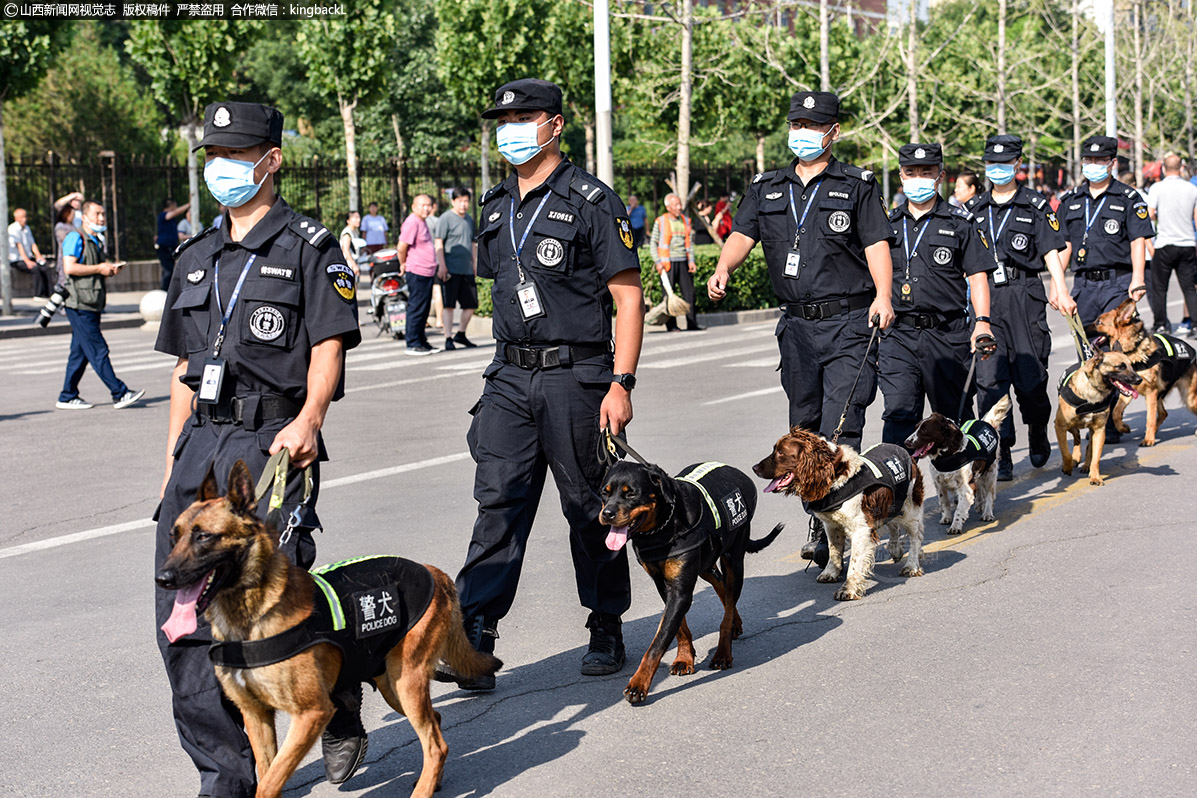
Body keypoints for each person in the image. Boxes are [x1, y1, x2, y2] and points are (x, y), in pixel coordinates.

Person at [153, 102, 364, 796]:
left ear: (270, 160)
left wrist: (310, 418)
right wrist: (169, 464)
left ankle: (336, 702)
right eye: (213, 155)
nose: (222, 168)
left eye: (236, 156)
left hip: (272, 440)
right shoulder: (194, 254)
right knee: (183, 620)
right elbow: (185, 366)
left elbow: (328, 344)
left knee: (284, 605)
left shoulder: (307, 245)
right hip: (201, 442)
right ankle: (228, 777)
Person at [437, 78, 644, 692]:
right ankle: (474, 633)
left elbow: (628, 298)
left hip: (576, 377)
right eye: (503, 119)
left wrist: (621, 381)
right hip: (508, 374)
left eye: (524, 117)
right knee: (497, 502)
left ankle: (605, 621)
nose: (511, 129)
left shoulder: (591, 201)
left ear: (555, 124)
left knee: (590, 505)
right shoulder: (496, 204)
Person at [707, 89, 894, 563]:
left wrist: (884, 296)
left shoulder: (857, 185)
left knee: (842, 423)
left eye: (812, 127)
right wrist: (725, 267)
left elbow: (876, 244)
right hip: (797, 329)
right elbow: (742, 235)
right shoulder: (767, 187)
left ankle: (843, 524)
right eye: (796, 126)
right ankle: (822, 516)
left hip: (850, 322)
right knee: (804, 427)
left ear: (833, 132)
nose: (802, 134)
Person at [970, 134, 1072, 479]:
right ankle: (1003, 449)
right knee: (990, 382)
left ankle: (1038, 429)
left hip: (1024, 294)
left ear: (1017, 165)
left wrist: (1060, 289)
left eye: (1004, 164)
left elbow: (1050, 253)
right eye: (991, 164)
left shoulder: (1035, 205)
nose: (997, 170)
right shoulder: (974, 210)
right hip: (987, 299)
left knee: (1030, 380)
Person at [880, 144, 994, 446]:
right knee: (898, 413)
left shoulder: (961, 222)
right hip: (898, 335)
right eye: (911, 172)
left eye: (926, 173)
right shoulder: (885, 225)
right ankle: (896, 489)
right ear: (901, 176)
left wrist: (982, 322)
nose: (918, 178)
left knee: (951, 419)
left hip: (946, 334)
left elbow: (978, 276)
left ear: (940, 177)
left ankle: (961, 485)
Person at [55, 200, 145, 411]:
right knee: (98, 350)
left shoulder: (95, 240)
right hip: (79, 304)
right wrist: (99, 268)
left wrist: (108, 270)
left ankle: (67, 395)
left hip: (91, 302)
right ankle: (120, 393)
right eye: (97, 214)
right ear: (85, 217)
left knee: (80, 353)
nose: (101, 218)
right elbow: (69, 268)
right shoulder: (75, 237)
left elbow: (92, 270)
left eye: (103, 214)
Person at [1059, 135, 1154, 329]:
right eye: (1089, 160)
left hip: (1117, 283)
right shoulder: (1071, 200)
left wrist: (1138, 278)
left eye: (1100, 160)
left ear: (1112, 163)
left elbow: (1138, 240)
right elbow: (1064, 245)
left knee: (1117, 347)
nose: (1093, 164)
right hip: (1083, 286)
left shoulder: (1128, 198)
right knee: (1087, 347)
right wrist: (1057, 286)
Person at [1146, 154, 1197, 336]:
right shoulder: (1191, 189)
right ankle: (1195, 324)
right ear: (1181, 167)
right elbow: (1196, 218)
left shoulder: (1157, 188)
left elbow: (1150, 214)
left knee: (1159, 288)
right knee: (1189, 287)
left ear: (1164, 169)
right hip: (1187, 242)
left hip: (1165, 242)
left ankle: (1161, 324)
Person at [433, 186, 478, 350]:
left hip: (466, 269)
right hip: (450, 268)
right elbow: (439, 242)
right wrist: (442, 266)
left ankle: (461, 333)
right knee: (449, 305)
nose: (463, 205)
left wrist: (475, 263)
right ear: (453, 201)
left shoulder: (469, 219)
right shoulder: (445, 218)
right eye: (460, 201)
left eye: (466, 201)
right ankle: (448, 337)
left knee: (471, 305)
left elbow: (473, 243)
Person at [397, 194, 440, 356]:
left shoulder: (422, 222)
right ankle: (413, 343)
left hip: (427, 272)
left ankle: (422, 341)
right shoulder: (412, 222)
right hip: (416, 271)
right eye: (422, 205)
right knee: (416, 308)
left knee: (424, 309)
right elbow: (402, 247)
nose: (426, 208)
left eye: (428, 205)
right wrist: (403, 263)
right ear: (414, 207)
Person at [651, 192, 700, 331]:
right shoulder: (660, 221)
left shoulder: (685, 221)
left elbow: (689, 244)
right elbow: (653, 244)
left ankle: (692, 324)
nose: (679, 207)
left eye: (680, 204)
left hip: (683, 262)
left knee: (689, 293)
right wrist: (658, 262)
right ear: (668, 207)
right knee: (669, 295)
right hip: (667, 264)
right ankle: (671, 326)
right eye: (676, 205)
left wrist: (691, 261)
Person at [8, 207, 52, 299]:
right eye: (22, 217)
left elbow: (33, 244)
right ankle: (37, 294)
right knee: (35, 269)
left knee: (44, 267)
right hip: (17, 259)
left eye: (25, 217)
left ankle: (48, 293)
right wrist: (27, 261)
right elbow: (19, 246)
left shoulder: (27, 228)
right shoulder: (12, 229)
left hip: (28, 256)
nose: (24, 219)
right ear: (16, 218)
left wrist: (39, 257)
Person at [156, 198, 191, 292]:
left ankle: (168, 290)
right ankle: (164, 291)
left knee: (170, 270)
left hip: (171, 247)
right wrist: (188, 205)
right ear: (170, 205)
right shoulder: (163, 215)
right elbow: (173, 214)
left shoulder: (171, 219)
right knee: (167, 271)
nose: (176, 208)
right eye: (175, 205)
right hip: (164, 247)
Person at [339, 209, 363, 281]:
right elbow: (345, 250)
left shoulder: (355, 231)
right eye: (355, 218)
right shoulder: (347, 233)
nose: (358, 220)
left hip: (353, 262)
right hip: (348, 264)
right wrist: (354, 265)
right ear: (348, 220)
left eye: (359, 217)